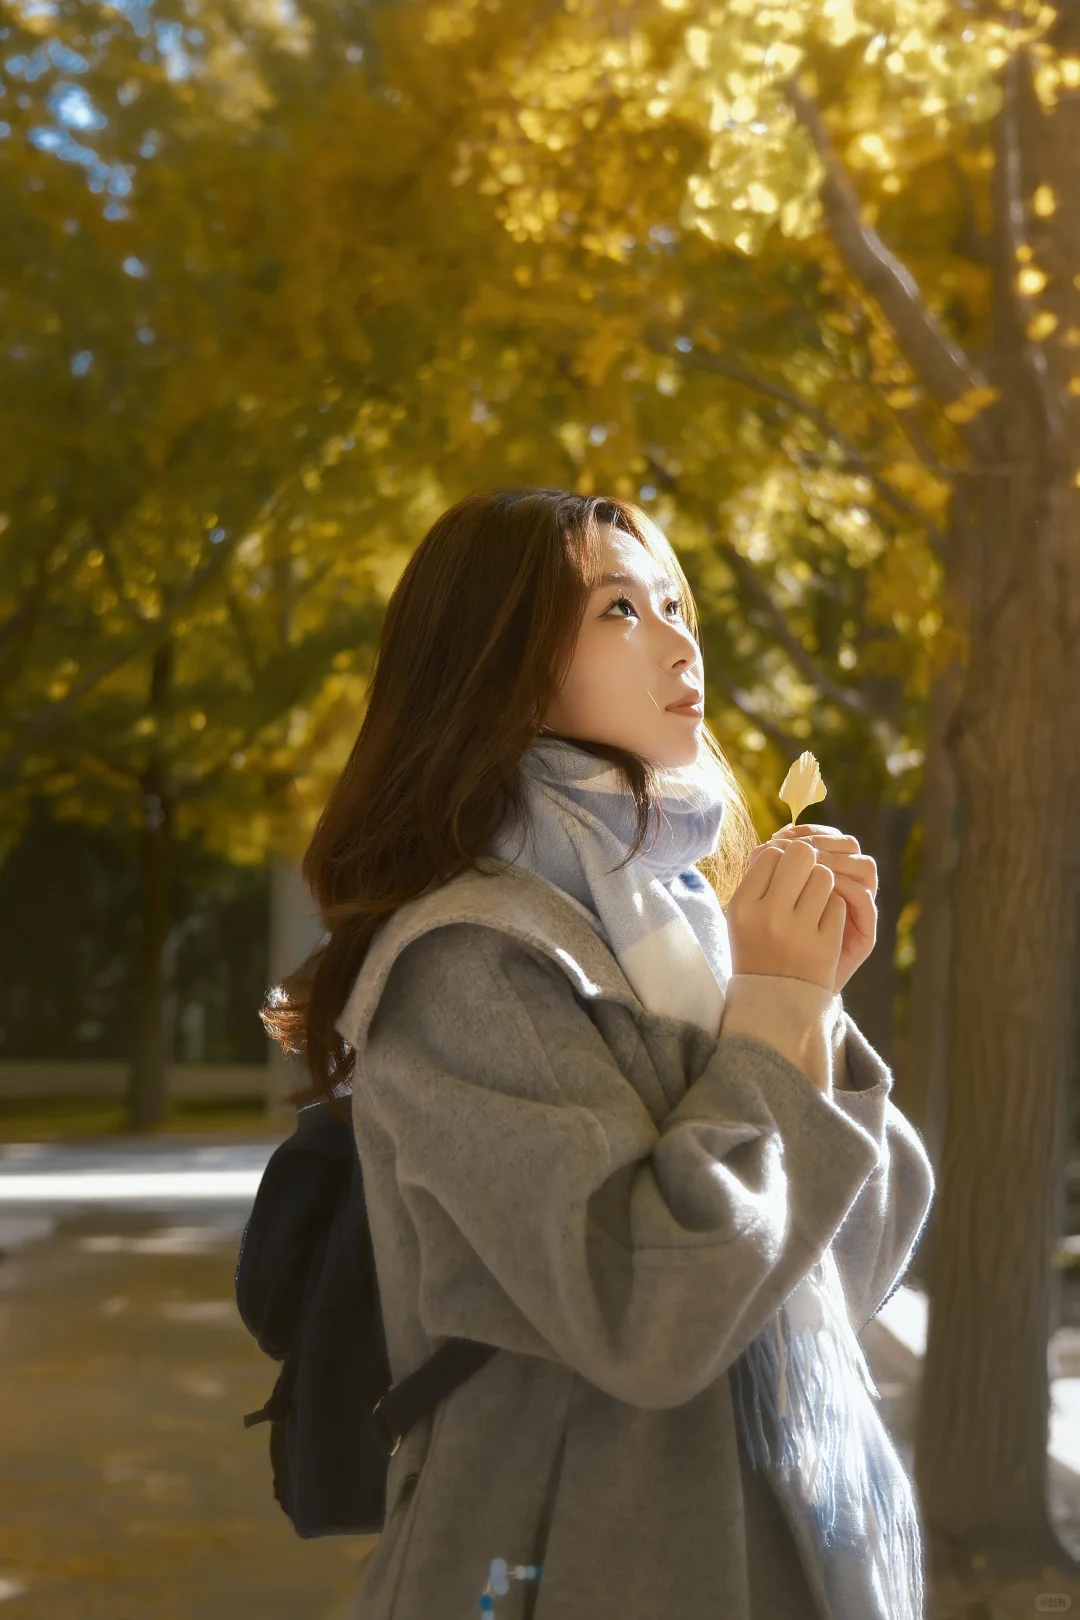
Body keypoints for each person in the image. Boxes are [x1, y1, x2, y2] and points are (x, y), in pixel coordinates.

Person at [264, 487, 935, 1620]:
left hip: (776, 1544)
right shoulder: (468, 959)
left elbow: (838, 1265)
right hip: (555, 1565)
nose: (681, 640)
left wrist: (806, 1004)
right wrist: (773, 1011)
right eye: (622, 609)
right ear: (505, 667)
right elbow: (652, 1314)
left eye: (675, 601)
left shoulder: (691, 923)